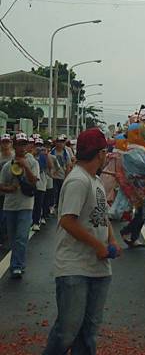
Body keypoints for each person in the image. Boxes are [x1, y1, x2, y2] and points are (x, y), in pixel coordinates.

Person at [43, 127, 121, 355]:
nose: (106, 156)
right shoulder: (78, 180)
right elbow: (68, 221)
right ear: (99, 154)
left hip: (97, 268)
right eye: (105, 151)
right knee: (67, 330)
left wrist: (112, 240)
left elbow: (102, 217)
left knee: (88, 332)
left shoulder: (94, 180)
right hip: (75, 267)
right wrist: (99, 246)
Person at [0, 133, 39, 278]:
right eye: (19, 144)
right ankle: (16, 262)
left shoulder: (32, 162)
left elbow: (34, 180)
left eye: (24, 144)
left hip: (26, 205)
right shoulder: (7, 165)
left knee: (22, 237)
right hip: (10, 205)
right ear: (14, 146)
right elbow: (1, 184)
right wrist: (9, 188)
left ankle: (17, 265)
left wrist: (26, 167)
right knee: (13, 238)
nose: (22, 147)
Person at [32, 138, 50, 231]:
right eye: (36, 145)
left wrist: (46, 156)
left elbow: (48, 167)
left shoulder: (44, 155)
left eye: (40, 145)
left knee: (39, 203)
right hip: (31, 183)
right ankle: (32, 220)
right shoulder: (30, 156)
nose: (38, 147)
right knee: (32, 203)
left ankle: (36, 222)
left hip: (41, 182)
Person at [0, 133, 14, 246]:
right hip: (1, 189)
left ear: (11, 143)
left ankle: (5, 236)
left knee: (6, 216)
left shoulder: (14, 157)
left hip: (11, 191)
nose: (5, 144)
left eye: (7, 142)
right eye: (3, 142)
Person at [51, 136, 72, 210]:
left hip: (62, 176)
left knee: (61, 192)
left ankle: (59, 206)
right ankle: (53, 205)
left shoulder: (66, 153)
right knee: (54, 192)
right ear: (56, 142)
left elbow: (68, 165)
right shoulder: (52, 151)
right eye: (59, 142)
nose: (60, 144)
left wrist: (66, 177)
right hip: (53, 176)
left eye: (62, 142)